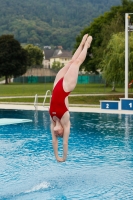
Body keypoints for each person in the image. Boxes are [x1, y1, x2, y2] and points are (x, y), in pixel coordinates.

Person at [49, 34, 93, 162]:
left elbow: (54, 141)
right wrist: (63, 157)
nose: (57, 134)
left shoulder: (52, 121)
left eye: (58, 135)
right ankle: (87, 45)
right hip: (66, 87)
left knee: (70, 62)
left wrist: (56, 156)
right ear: (64, 130)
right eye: (60, 134)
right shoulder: (65, 119)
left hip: (56, 85)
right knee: (77, 63)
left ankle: (81, 43)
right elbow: (64, 144)